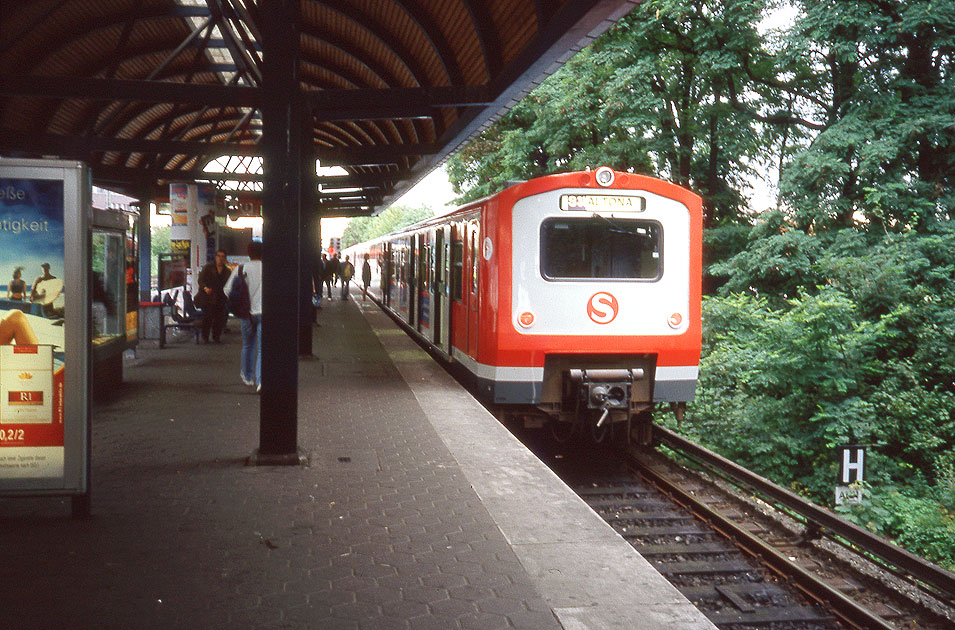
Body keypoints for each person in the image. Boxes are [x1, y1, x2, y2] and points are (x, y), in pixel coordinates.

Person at [222, 241, 263, 392]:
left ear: (249, 253)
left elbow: (227, 290)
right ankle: (260, 381)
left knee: (248, 345)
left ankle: (247, 376)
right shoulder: (269, 269)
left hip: (246, 314)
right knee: (262, 348)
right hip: (264, 313)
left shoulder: (241, 269)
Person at [197, 249, 231, 343]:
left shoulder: (227, 271)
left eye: (222, 256)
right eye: (218, 256)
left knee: (219, 318)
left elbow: (229, 284)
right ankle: (205, 337)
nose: (220, 258)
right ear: (215, 257)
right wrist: (205, 288)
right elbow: (200, 280)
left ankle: (216, 337)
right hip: (209, 297)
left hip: (221, 297)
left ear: (225, 258)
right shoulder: (208, 268)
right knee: (208, 317)